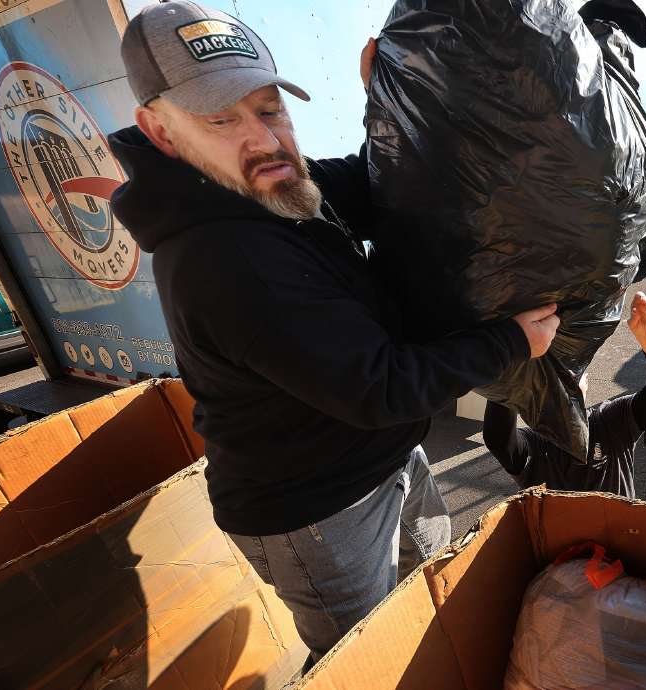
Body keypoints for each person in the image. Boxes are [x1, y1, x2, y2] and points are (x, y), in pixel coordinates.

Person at [109, 3, 560, 665]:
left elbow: (382, 183)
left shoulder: (267, 186)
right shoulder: (224, 261)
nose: (263, 139)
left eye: (269, 109)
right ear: (161, 132)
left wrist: (395, 98)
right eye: (221, 119)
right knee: (369, 658)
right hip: (316, 514)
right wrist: (511, 343)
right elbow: (379, 387)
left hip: (383, 458)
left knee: (436, 599)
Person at [482, 292, 646, 498]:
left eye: (568, 373)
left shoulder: (610, 423)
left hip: (620, 531)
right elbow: (498, 439)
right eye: (548, 378)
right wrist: (514, 354)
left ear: (584, 380)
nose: (560, 385)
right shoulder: (536, 446)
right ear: (533, 390)